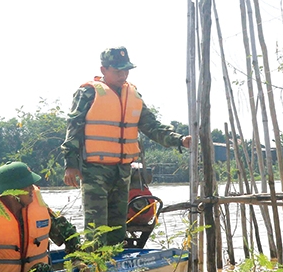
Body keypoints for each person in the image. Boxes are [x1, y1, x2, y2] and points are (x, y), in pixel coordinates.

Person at [62, 46, 191, 246]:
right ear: (104, 70)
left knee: (117, 228)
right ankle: (95, 268)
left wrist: (180, 140)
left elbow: (151, 126)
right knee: (96, 228)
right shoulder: (87, 93)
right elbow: (74, 127)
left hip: (123, 171)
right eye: (117, 71)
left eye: (126, 70)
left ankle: (115, 268)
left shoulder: (133, 94)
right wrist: (70, 164)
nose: (123, 75)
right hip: (94, 170)